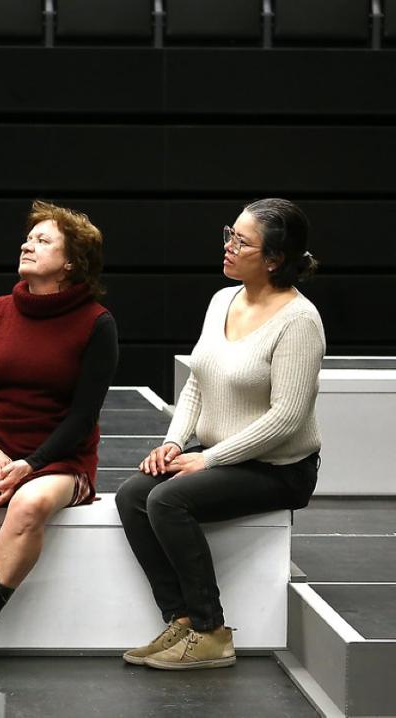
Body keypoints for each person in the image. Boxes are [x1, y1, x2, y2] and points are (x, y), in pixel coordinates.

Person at [116, 198, 323, 671]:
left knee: (167, 500)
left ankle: (211, 631)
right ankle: (184, 620)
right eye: (229, 233)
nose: (228, 247)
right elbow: (197, 381)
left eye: (241, 241)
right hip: (224, 454)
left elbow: (286, 418)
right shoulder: (221, 300)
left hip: (279, 469)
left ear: (273, 259)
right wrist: (174, 442)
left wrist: (207, 460)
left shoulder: (300, 321)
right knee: (132, 495)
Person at [0, 200, 118, 672]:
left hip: (60, 455)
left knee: (29, 503)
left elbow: (83, 415)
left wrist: (31, 464)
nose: (26, 244)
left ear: (71, 260)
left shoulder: (97, 322)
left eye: (42, 240)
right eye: (28, 238)